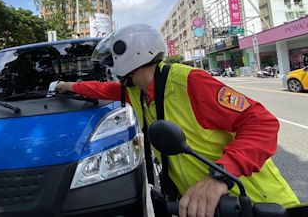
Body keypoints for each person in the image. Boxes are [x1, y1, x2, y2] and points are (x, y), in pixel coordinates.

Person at [56, 24, 300, 217]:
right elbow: (100, 89)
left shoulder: (188, 81)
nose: (109, 66)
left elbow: (261, 122)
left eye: (111, 59)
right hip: (206, 206)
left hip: (256, 202)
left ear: (129, 55)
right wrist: (67, 86)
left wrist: (220, 176)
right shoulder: (135, 91)